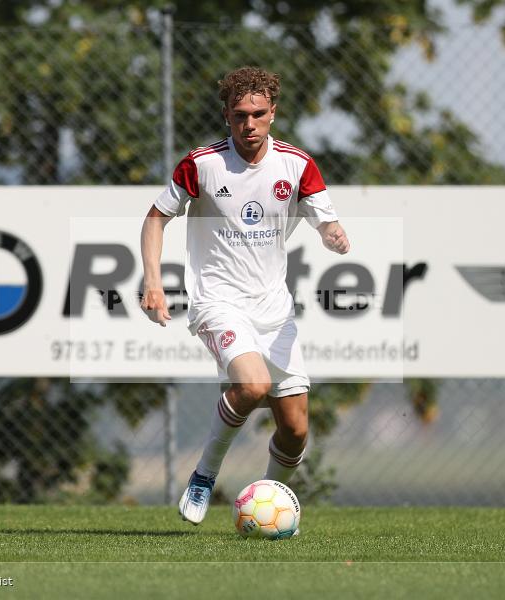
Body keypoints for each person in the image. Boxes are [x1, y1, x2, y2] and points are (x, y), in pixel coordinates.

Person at [140, 66, 350, 526]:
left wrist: (333, 234)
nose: (248, 124)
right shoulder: (202, 164)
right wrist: (153, 281)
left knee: (295, 432)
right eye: (239, 115)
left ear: (273, 113)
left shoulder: (297, 165)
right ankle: (204, 476)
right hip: (217, 302)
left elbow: (325, 219)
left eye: (258, 114)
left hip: (274, 311)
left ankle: (268, 502)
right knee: (252, 385)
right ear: (227, 116)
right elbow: (156, 217)